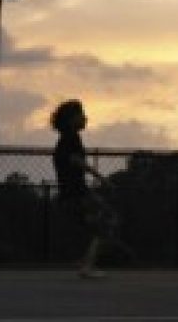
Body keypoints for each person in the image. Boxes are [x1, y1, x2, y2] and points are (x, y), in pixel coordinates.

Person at [51, 99, 119, 279]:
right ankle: (87, 264)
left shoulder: (66, 139)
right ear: (71, 119)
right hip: (78, 192)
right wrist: (102, 179)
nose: (85, 118)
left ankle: (84, 259)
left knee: (93, 225)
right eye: (81, 114)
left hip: (70, 192)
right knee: (107, 220)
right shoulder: (71, 137)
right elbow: (76, 161)